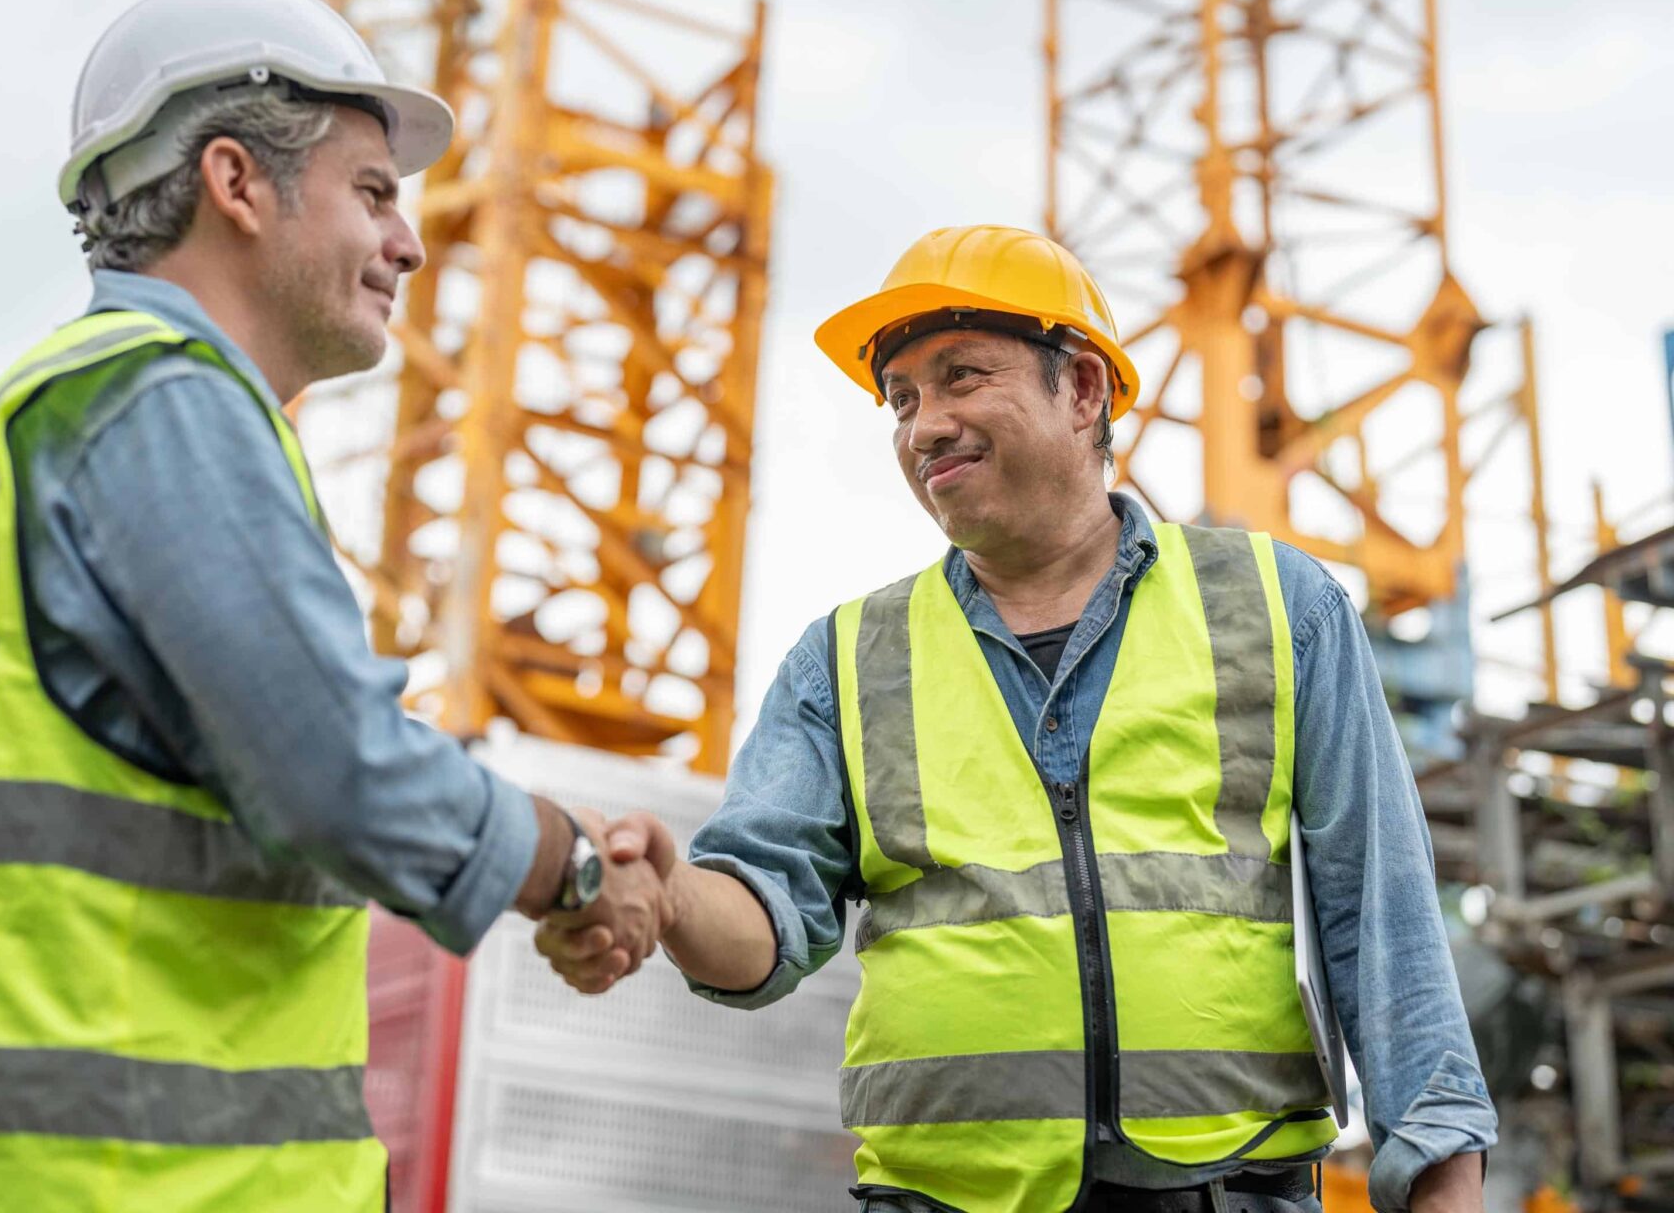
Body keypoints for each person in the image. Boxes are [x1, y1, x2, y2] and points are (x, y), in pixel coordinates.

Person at [0, 0, 668, 1212]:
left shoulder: (126, 404)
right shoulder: (159, 400)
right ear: (237, 183)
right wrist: (571, 866)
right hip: (76, 1180)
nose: (409, 243)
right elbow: (334, 768)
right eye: (373, 192)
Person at [536, 226, 1498, 1212]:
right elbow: (764, 918)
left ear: (1083, 389)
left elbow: (1380, 913)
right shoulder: (850, 657)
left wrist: (1444, 1180)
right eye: (902, 398)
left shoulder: (1275, 606)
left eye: (962, 377)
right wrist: (673, 895)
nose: (923, 426)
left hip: (1226, 1192)